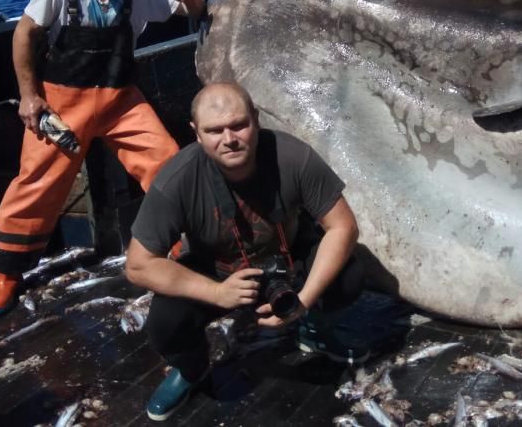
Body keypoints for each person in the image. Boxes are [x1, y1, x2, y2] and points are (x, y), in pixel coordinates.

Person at [0, 0, 206, 318]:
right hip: (63, 103)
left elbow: (188, 9)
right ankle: (8, 274)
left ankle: (181, 243)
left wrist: (194, 2)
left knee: (168, 164)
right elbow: (24, 33)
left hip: (122, 100)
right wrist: (29, 96)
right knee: (37, 182)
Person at [125, 82, 366, 422]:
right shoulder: (178, 179)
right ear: (196, 133)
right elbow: (137, 266)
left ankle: (311, 328)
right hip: (218, 272)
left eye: (238, 125)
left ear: (256, 119)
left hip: (287, 261)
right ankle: (191, 370)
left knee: (351, 275)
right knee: (164, 323)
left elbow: (343, 227)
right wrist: (217, 292)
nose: (229, 139)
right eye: (214, 130)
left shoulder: (294, 156)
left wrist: (305, 300)